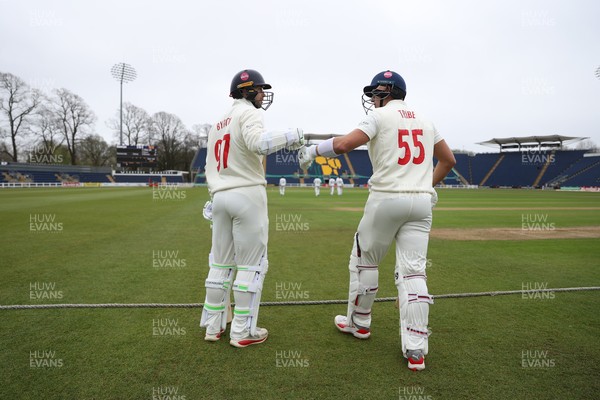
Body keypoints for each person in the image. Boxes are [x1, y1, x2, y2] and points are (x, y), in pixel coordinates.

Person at [298, 70, 455, 371]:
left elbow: (344, 145)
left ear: (386, 93)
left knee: (365, 261)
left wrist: (313, 151)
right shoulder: (426, 119)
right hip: (421, 204)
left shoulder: (379, 118)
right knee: (413, 274)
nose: (371, 99)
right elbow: (448, 160)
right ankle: (416, 350)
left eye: (374, 94)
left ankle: (360, 323)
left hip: (386, 199)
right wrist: (427, 186)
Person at [201, 69, 304, 348]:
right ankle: (243, 331)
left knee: (219, 264)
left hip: (220, 196)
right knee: (251, 265)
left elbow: (210, 165)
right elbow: (259, 143)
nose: (262, 94)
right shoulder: (249, 112)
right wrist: (293, 134)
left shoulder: (218, 123)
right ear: (247, 91)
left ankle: (213, 326)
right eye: (259, 89)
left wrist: (214, 194)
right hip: (246, 193)